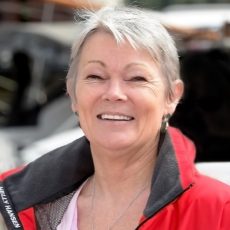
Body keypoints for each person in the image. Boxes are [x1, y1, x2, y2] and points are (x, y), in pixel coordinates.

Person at [0, 6, 230, 230]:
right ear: (72, 92)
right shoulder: (12, 203)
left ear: (171, 96)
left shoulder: (219, 211)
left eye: (137, 78)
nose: (114, 93)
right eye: (96, 76)